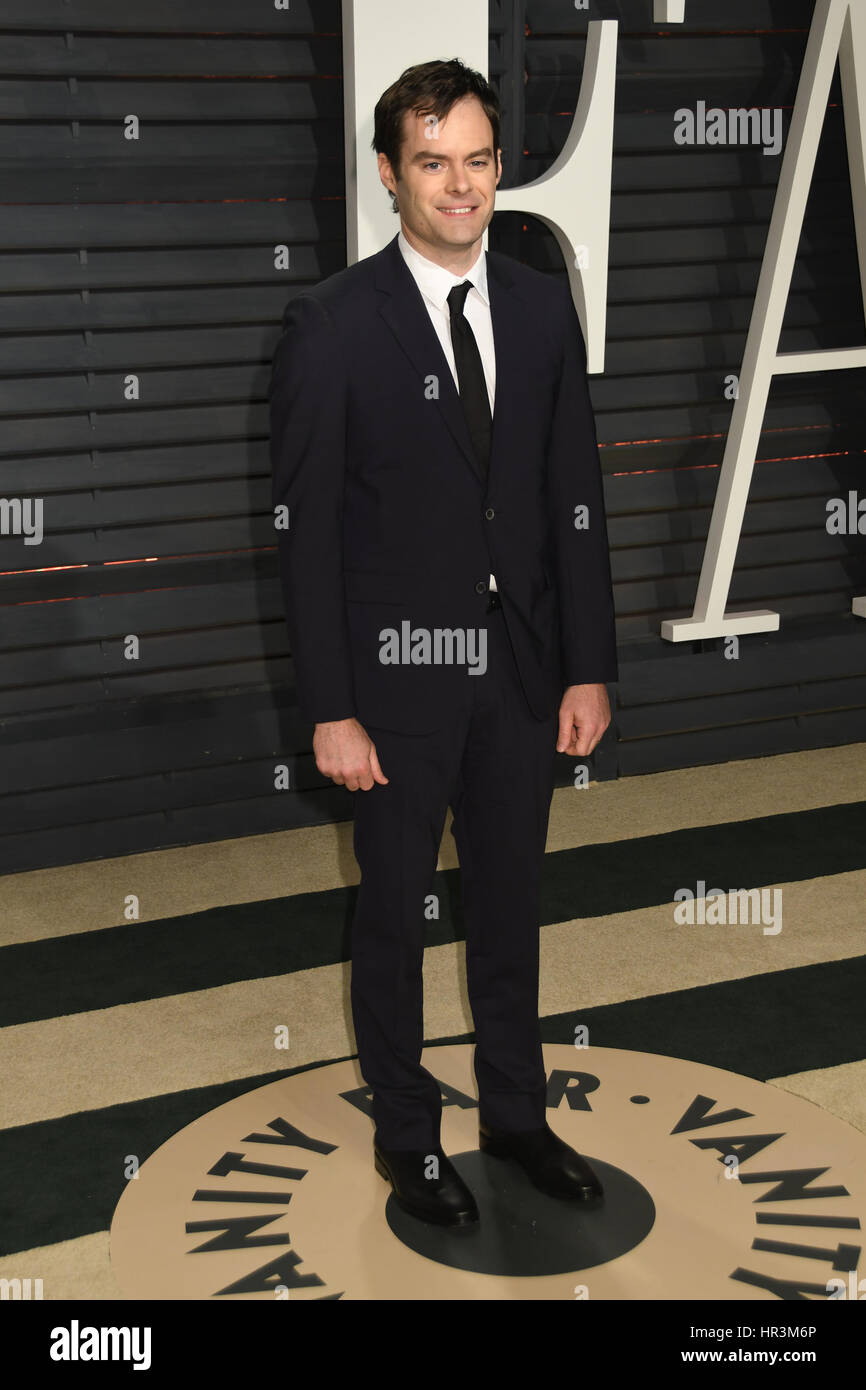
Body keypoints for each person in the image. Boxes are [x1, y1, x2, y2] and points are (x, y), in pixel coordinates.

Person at [269, 57, 618, 1228]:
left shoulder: (535, 301)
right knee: (393, 918)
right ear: (389, 174)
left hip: (520, 676)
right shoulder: (329, 326)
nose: (458, 185)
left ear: (497, 167)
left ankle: (515, 1118)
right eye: (432, 162)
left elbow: (575, 492)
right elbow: (305, 537)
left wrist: (586, 662)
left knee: (510, 907)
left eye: (475, 160)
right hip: (391, 690)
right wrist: (330, 706)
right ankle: (409, 1141)